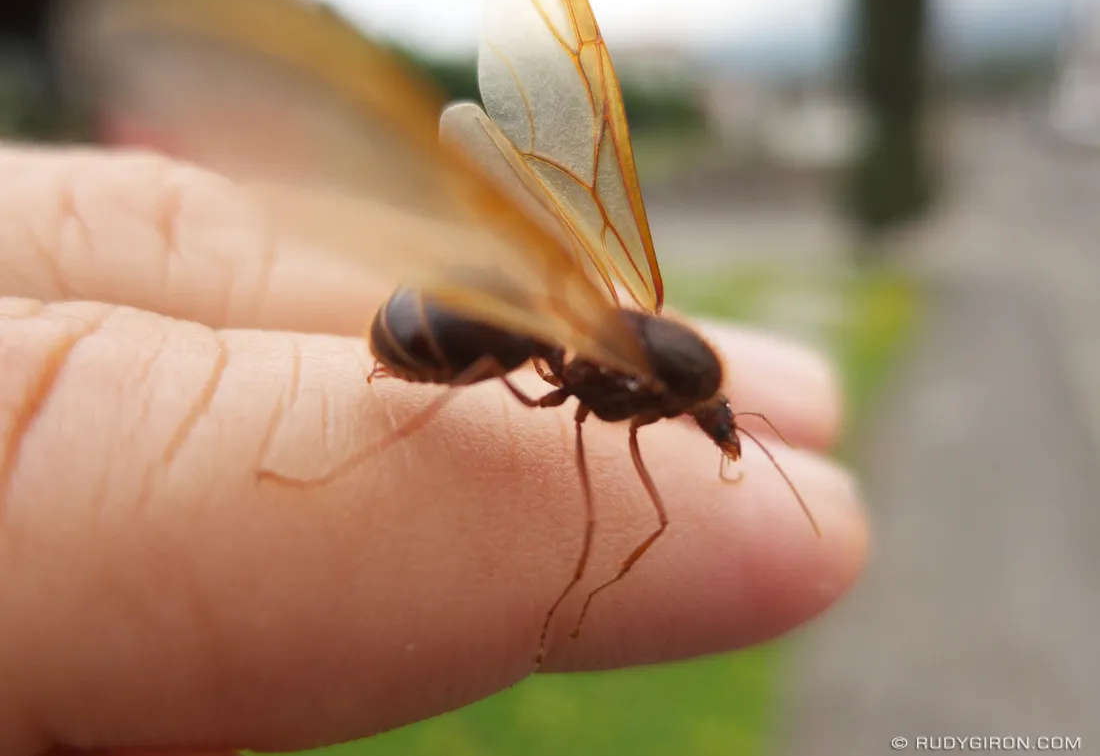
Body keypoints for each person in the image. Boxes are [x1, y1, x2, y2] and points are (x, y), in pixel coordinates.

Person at [0, 145, 867, 756]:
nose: (713, 428)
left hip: (466, 314)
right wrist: (581, 578)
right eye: (712, 416)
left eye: (712, 417)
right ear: (681, 394)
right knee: (552, 422)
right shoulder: (606, 359)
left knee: (526, 382)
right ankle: (337, 465)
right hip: (436, 328)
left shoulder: (628, 351)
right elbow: (556, 407)